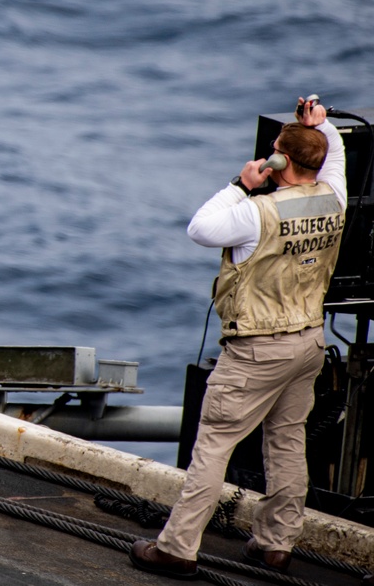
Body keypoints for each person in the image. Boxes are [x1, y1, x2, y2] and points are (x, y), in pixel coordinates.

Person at [131, 95, 346, 579]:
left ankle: (178, 548)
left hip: (256, 349)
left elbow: (200, 228)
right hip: (309, 342)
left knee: (214, 446)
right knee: (288, 443)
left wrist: (240, 185)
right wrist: (323, 128)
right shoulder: (335, 199)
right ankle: (276, 545)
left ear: (280, 161)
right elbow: (335, 161)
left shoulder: (257, 213)